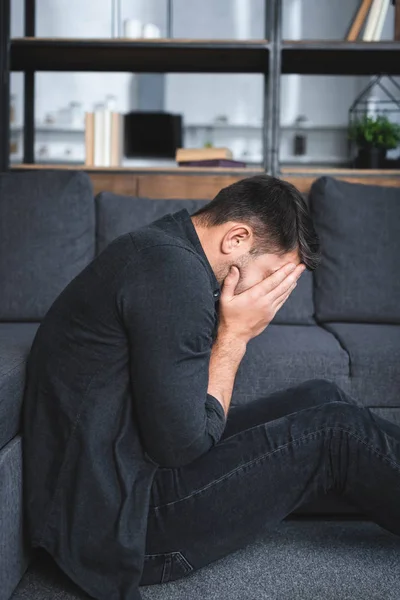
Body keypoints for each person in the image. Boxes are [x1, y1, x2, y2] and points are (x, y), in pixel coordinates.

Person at [22, 175, 400, 600]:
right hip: (120, 523)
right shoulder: (173, 276)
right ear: (237, 238)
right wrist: (234, 337)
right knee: (336, 432)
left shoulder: (163, 249)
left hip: (124, 479)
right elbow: (182, 447)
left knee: (319, 395)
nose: (270, 294)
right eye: (272, 276)